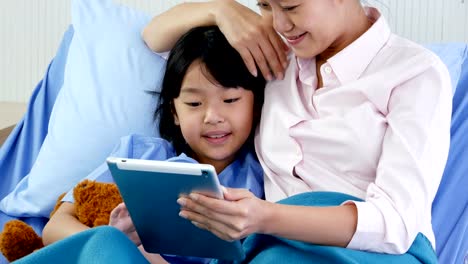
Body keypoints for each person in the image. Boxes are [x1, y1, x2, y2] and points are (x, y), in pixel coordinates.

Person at [140, 0, 452, 262]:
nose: (279, 23)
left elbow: (395, 224)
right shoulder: (275, 53)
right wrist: (222, 10)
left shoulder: (415, 73)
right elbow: (155, 37)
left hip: (377, 253)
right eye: (265, 5)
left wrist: (264, 218)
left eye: (290, 6)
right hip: (271, 249)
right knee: (104, 244)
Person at [41, 25, 266, 264]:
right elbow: (54, 228)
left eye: (230, 99)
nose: (212, 116)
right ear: (174, 112)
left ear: (256, 104)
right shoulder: (138, 155)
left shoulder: (262, 177)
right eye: (194, 103)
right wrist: (114, 240)